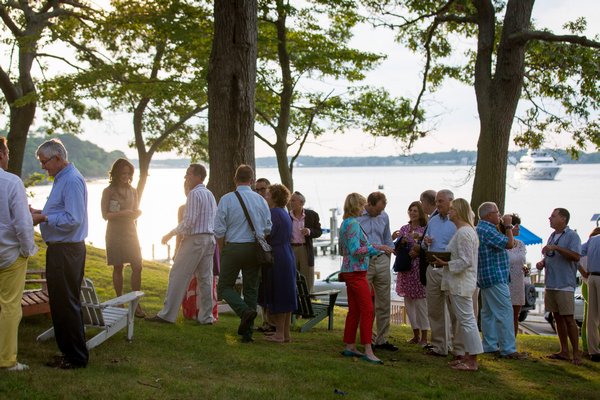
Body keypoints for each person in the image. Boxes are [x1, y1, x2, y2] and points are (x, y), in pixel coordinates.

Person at [30, 138, 89, 369]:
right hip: (60, 250)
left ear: (58, 158)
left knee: (67, 303)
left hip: (67, 251)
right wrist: (40, 211)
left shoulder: (72, 180)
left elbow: (73, 219)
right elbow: (62, 211)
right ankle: (67, 353)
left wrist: (43, 218)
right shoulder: (61, 179)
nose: (43, 167)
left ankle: (76, 358)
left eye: (45, 162)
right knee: (60, 302)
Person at [146, 164, 217, 325]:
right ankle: (206, 317)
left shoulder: (194, 194)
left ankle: (167, 315)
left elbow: (189, 222)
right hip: (209, 239)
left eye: (188, 174)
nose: (186, 177)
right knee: (206, 279)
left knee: (177, 274)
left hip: (195, 240)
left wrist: (170, 234)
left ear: (198, 176)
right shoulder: (210, 194)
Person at [215, 165, 272, 343]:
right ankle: (247, 334)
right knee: (251, 289)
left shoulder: (226, 199)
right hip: (254, 248)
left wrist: (223, 248)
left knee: (223, 287)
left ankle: (244, 311)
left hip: (233, 247)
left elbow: (218, 229)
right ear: (252, 180)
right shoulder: (261, 200)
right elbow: (268, 227)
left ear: (235, 179)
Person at [0, 137, 37, 372]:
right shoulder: (11, 182)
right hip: (9, 254)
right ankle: (6, 360)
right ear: (2, 155)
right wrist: (27, 249)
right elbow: (23, 224)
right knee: (10, 306)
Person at [434, 198, 483, 371]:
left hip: (461, 283)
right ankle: (469, 356)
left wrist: (445, 264)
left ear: (460, 211)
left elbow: (466, 261)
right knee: (465, 320)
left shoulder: (464, 233)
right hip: (459, 282)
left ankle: (472, 361)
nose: (449, 212)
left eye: (453, 209)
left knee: (467, 321)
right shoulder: (464, 231)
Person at [339, 193, 386, 364]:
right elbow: (355, 250)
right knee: (367, 310)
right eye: (362, 205)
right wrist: (376, 249)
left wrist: (375, 247)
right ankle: (368, 349)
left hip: (352, 271)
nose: (364, 208)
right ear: (357, 206)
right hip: (356, 272)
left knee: (355, 310)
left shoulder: (346, 223)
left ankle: (350, 345)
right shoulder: (352, 224)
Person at [476, 202, 526, 360]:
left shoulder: (481, 229)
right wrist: (509, 226)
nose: (499, 215)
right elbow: (509, 244)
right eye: (497, 213)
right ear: (489, 215)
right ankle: (508, 349)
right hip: (495, 275)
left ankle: (489, 345)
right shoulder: (487, 229)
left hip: (485, 276)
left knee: (488, 313)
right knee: (505, 312)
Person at [536, 208, 582, 364]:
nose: (549, 218)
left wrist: (556, 248)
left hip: (564, 284)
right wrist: (542, 263)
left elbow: (576, 256)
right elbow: (551, 256)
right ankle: (563, 351)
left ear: (563, 218)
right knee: (557, 317)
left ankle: (576, 353)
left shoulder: (572, 236)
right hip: (551, 283)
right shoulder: (552, 236)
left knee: (569, 318)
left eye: (553, 216)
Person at [100, 158, 145, 318]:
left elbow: (135, 210)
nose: (125, 176)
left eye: (128, 173)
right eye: (123, 173)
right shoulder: (108, 191)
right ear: (116, 174)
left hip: (131, 231)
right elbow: (105, 215)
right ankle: (119, 301)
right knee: (118, 267)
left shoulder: (133, 191)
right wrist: (123, 214)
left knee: (137, 265)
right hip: (115, 232)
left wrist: (136, 213)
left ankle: (136, 302)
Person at [357, 192, 397, 352]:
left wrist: (390, 253)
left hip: (382, 260)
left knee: (384, 301)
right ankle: (368, 337)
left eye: (382, 210)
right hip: (365, 260)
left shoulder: (384, 216)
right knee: (364, 301)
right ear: (370, 205)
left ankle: (382, 339)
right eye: (377, 210)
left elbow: (387, 237)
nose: (380, 213)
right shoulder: (357, 216)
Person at [422, 189, 457, 357]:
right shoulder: (433, 221)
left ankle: (457, 346)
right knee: (435, 310)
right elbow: (424, 244)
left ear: (451, 201)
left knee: (454, 310)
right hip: (432, 268)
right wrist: (425, 241)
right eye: (436, 201)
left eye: (440, 201)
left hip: (449, 269)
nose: (437, 205)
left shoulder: (457, 221)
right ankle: (439, 346)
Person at [263, 184, 297, 343]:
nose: (265, 197)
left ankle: (279, 334)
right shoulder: (284, 213)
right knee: (286, 292)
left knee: (279, 293)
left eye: (268, 195)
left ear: (275, 197)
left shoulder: (273, 214)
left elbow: (268, 233)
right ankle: (285, 333)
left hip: (277, 254)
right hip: (287, 252)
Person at [393, 201, 429, 346]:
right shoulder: (404, 228)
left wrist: (418, 246)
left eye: (416, 211)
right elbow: (396, 250)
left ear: (421, 213)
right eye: (411, 210)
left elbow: (428, 248)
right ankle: (415, 334)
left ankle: (425, 337)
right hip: (406, 269)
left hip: (418, 270)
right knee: (408, 303)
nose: (413, 213)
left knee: (421, 304)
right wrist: (400, 242)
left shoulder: (425, 228)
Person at [499, 214, 527, 336]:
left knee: (515, 315)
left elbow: (522, 261)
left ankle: (512, 342)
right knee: (503, 313)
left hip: (518, 282)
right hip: (505, 281)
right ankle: (500, 340)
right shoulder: (502, 242)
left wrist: (525, 268)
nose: (519, 229)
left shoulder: (521, 244)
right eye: (517, 226)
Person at [289, 191, 322, 292]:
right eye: (291, 200)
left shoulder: (312, 215)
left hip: (305, 249)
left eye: (294, 200)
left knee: (307, 278)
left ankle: (309, 301)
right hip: (291, 249)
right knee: (291, 277)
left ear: (302, 203)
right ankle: (295, 303)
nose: (291, 202)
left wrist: (309, 231)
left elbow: (319, 231)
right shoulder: (287, 216)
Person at [582, 228, 600, 361]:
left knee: (592, 316)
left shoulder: (592, 240)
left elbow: (578, 252)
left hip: (592, 277)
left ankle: (593, 350)